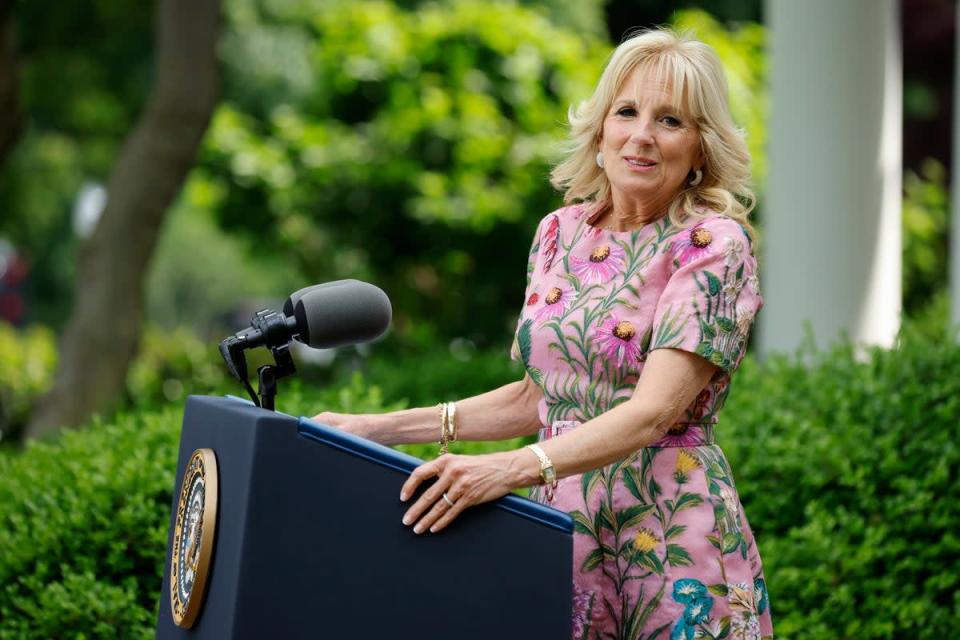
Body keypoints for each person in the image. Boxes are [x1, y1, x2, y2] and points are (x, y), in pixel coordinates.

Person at [314, 28, 773, 640]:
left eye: (670, 121)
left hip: (671, 540)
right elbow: (538, 399)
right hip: (561, 533)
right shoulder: (561, 233)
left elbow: (652, 415)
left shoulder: (713, 245)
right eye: (626, 112)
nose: (641, 136)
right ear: (600, 127)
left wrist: (507, 469)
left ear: (701, 149)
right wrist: (373, 429)